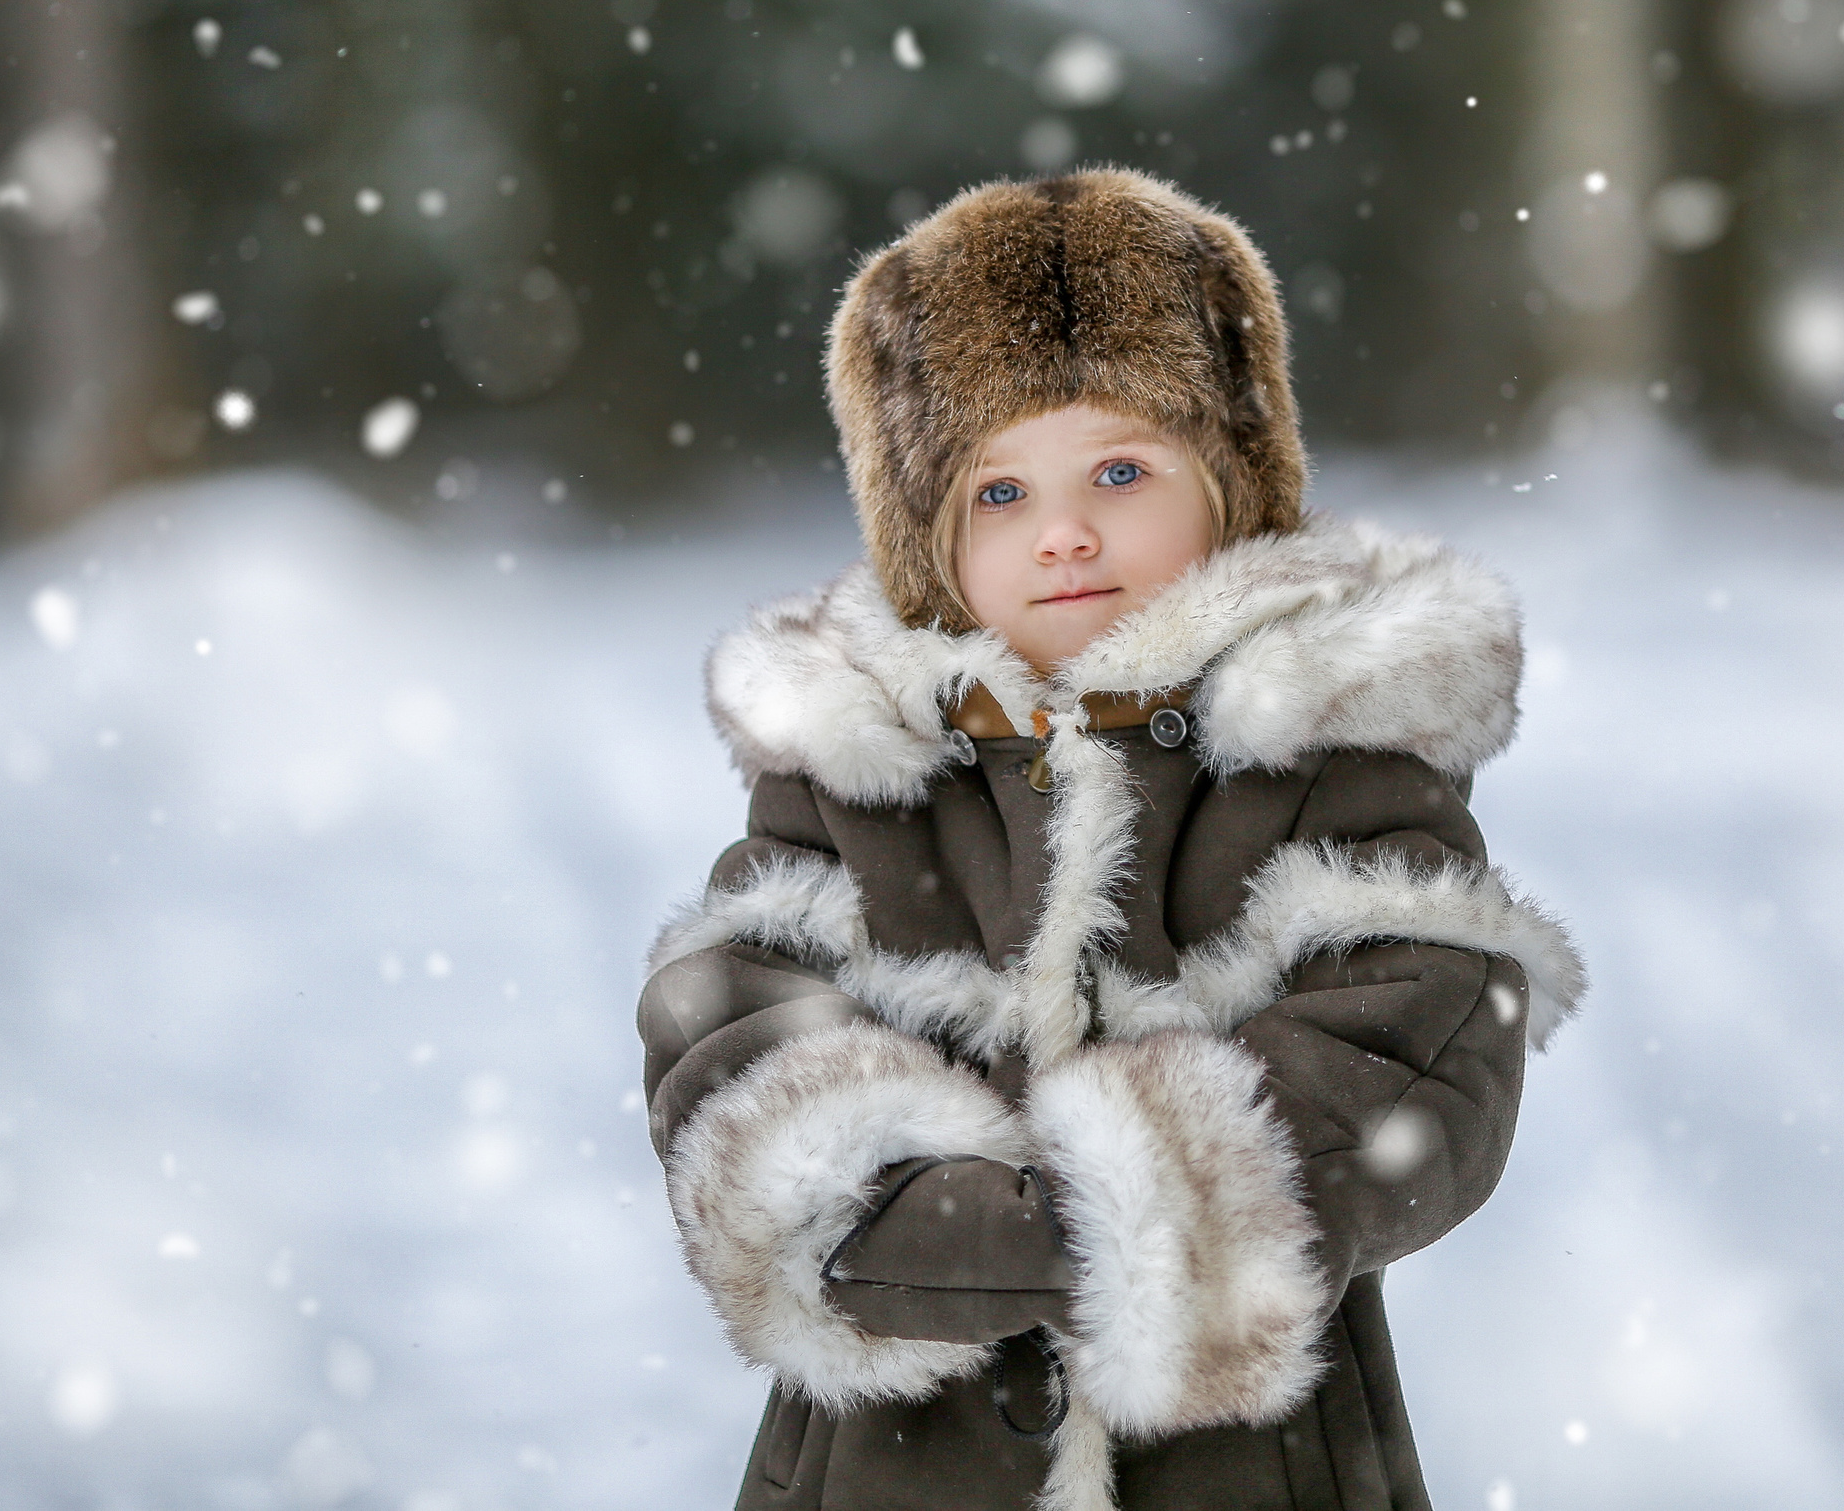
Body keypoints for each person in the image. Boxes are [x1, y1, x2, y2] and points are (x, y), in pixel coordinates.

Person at [637, 169, 1584, 1511]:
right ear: (928, 540)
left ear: (1232, 485)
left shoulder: (1330, 761)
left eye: (1122, 470)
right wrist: (1132, 1220)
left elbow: (1411, 1069)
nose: (1066, 531)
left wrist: (988, 1216)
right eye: (999, 495)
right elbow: (728, 1053)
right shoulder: (855, 773)